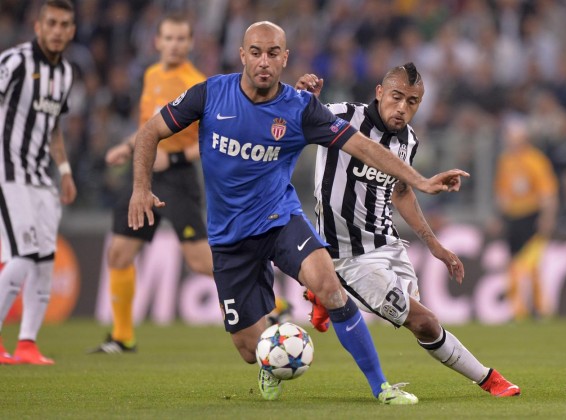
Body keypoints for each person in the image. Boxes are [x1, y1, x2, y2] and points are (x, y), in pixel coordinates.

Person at [128, 21, 468, 403]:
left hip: (280, 220)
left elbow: (363, 147)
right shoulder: (210, 94)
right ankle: (269, 359)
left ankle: (381, 387)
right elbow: (150, 131)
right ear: (242, 55)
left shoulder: (301, 109)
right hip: (229, 237)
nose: (264, 61)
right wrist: (141, 188)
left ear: (285, 58)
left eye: (273, 53)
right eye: (256, 52)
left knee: (330, 288)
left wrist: (419, 180)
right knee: (248, 349)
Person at [297, 64, 521, 398]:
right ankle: (489, 379)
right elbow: (293, 120)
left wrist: (434, 245)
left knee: (418, 316)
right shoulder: (341, 115)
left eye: (412, 102)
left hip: (387, 244)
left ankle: (324, 291)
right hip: (349, 257)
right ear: (379, 93)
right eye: (396, 97)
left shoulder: (409, 140)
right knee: (424, 321)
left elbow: (401, 192)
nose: (402, 108)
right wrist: (302, 99)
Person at [87, 14, 213, 354]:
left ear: (190, 43)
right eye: (168, 38)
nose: (174, 45)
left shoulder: (197, 84)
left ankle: (273, 303)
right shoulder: (151, 75)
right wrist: (127, 146)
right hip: (144, 175)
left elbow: (210, 141)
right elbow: (149, 128)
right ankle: (122, 337)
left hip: (178, 178)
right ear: (157, 41)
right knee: (119, 253)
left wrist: (174, 158)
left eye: (181, 38)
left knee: (200, 262)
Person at [0, 0, 77, 365]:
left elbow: (53, 127)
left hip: (41, 177)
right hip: (8, 172)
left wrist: (64, 170)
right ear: (38, 26)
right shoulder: (15, 62)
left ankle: (27, 344)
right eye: (52, 23)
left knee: (45, 261)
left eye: (64, 24)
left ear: (71, 31)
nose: (57, 30)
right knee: (22, 256)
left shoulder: (66, 74)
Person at [494, 119, 559, 321]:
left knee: (531, 264)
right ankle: (518, 310)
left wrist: (547, 218)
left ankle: (539, 308)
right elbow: (502, 193)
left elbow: (547, 193)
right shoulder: (506, 161)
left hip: (531, 216)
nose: (511, 142)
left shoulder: (536, 160)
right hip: (513, 218)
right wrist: (500, 217)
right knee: (513, 263)